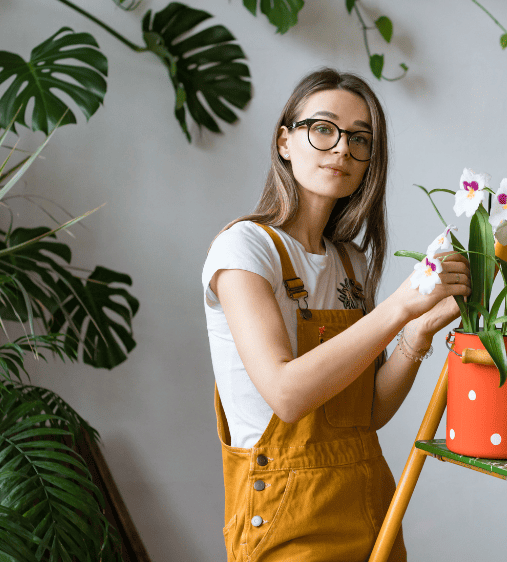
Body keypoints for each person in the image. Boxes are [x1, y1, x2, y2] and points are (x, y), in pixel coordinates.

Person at [202, 68, 471, 562]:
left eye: (359, 139)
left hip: (366, 499)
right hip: (285, 514)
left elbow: (366, 414)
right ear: (285, 141)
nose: (342, 149)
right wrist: (398, 307)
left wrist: (419, 328)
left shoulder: (351, 260)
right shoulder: (244, 249)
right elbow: (287, 395)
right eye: (323, 129)